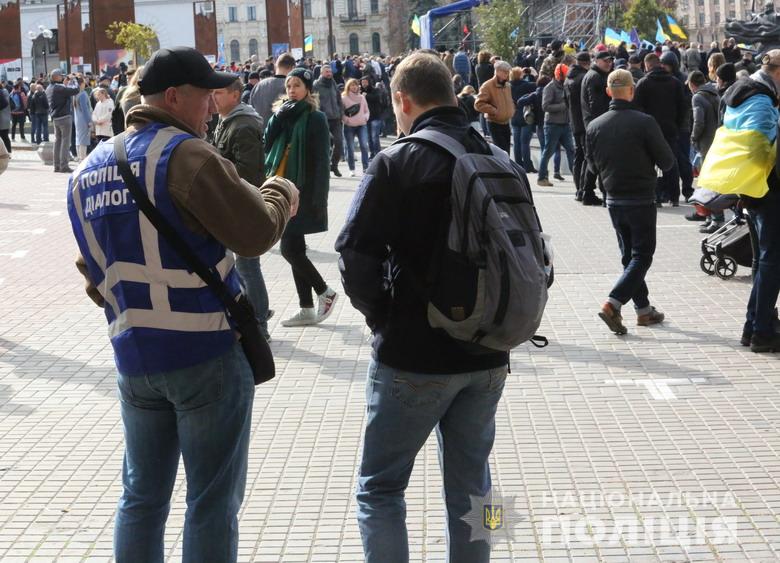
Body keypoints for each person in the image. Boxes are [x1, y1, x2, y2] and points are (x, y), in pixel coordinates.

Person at [65, 46, 298, 562]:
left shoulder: (88, 169)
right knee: (211, 502)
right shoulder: (186, 154)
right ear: (173, 97)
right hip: (205, 353)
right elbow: (255, 232)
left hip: (135, 360)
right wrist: (281, 194)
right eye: (205, 95)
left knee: (141, 499)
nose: (212, 106)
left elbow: (94, 272)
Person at [335, 50, 510, 563]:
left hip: (415, 353)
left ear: (402, 100)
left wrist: (382, 317)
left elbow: (354, 252)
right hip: (490, 354)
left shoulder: (398, 160)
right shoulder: (497, 155)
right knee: (476, 486)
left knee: (380, 488)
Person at [587, 69, 676, 335]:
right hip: (640, 197)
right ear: (632, 91)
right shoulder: (644, 122)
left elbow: (591, 165)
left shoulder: (595, 125)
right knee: (641, 256)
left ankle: (644, 310)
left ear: (607, 92)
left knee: (629, 257)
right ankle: (613, 303)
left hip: (613, 198)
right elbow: (667, 161)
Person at [264, 67, 338, 327]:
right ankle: (306, 308)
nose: (292, 90)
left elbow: (321, 161)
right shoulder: (283, 114)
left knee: (289, 249)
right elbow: (267, 141)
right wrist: (276, 118)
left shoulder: (315, 118)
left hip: (303, 192)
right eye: (288, 86)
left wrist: (319, 197)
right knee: (294, 249)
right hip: (282, 187)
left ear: (308, 89)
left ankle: (324, 292)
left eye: (296, 85)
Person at [213, 77, 274, 340]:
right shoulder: (226, 121)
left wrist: (214, 173)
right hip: (230, 206)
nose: (213, 97)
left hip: (245, 207)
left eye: (219, 93)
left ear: (235, 96)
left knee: (249, 267)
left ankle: (260, 324)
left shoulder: (243, 125)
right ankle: (255, 316)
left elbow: (248, 173)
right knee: (240, 268)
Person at [634, 53, 688, 206]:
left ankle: (655, 196)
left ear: (647, 66)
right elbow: (683, 107)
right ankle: (674, 196)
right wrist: (676, 125)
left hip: (649, 129)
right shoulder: (675, 82)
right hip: (670, 128)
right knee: (671, 162)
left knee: (650, 164)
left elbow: (637, 107)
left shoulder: (643, 83)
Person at [565, 51, 602, 204]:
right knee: (588, 157)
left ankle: (579, 189)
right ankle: (584, 190)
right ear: (587, 62)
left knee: (579, 156)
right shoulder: (584, 78)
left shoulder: (568, 78)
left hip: (574, 122)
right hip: (584, 122)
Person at [687, 70, 721, 232]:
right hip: (718, 141)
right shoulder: (715, 93)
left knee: (708, 182)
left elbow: (698, 121)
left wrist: (693, 137)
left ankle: (715, 218)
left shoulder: (697, 97)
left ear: (692, 84)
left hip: (706, 144)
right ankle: (709, 216)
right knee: (711, 181)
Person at [537, 63, 575, 187]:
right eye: (566, 74)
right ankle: (542, 178)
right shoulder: (550, 87)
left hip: (565, 124)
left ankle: (577, 176)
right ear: (559, 75)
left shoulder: (566, 86)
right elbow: (545, 106)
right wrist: (563, 106)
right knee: (548, 152)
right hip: (552, 125)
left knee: (571, 150)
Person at [474, 60, 514, 154]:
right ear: (498, 71)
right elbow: (478, 104)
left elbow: (509, 100)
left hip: (506, 122)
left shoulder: (507, 86)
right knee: (501, 152)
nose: (507, 74)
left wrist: (512, 109)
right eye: (505, 72)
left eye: (508, 72)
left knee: (507, 151)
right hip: (494, 123)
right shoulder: (487, 86)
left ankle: (505, 168)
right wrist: (494, 110)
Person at [46, 70, 80, 173]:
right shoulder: (59, 88)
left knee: (57, 142)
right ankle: (64, 166)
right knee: (65, 142)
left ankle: (56, 166)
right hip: (64, 117)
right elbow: (76, 90)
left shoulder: (49, 88)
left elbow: (62, 91)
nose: (62, 77)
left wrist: (65, 82)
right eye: (61, 76)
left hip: (55, 118)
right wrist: (74, 79)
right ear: (56, 77)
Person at [313, 63, 344, 177]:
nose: (329, 74)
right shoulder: (316, 85)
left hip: (336, 118)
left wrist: (341, 112)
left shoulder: (333, 83)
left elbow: (338, 99)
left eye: (330, 72)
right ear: (322, 73)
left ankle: (334, 165)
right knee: (325, 145)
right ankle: (324, 168)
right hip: (323, 119)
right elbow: (314, 102)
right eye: (327, 72)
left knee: (339, 143)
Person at [250, 52, 296, 126]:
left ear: (276, 66)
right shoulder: (294, 88)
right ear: (293, 68)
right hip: (284, 134)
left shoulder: (258, 86)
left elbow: (251, 111)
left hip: (260, 133)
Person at [341, 78, 371, 177]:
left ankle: (365, 168)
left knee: (364, 146)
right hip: (349, 126)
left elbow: (367, 110)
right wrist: (346, 120)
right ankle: (352, 169)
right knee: (350, 148)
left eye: (355, 85)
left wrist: (365, 118)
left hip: (362, 125)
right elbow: (341, 113)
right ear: (348, 86)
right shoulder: (344, 98)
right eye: (352, 85)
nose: (354, 87)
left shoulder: (362, 97)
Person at [510, 66, 536, 167]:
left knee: (516, 142)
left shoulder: (508, 86)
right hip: (526, 115)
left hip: (514, 115)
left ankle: (518, 164)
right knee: (525, 142)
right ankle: (527, 165)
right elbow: (537, 86)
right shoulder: (527, 85)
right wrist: (534, 75)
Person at [361, 75, 384, 159]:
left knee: (375, 137)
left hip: (375, 117)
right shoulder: (360, 91)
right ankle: (372, 153)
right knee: (369, 138)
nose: (364, 84)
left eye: (365, 82)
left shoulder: (375, 90)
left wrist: (366, 96)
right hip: (366, 118)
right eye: (362, 82)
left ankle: (377, 154)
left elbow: (377, 98)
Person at [73, 77, 92, 161]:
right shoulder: (83, 94)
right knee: (83, 140)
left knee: (78, 139)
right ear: (81, 84)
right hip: (83, 120)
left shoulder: (75, 94)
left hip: (77, 119)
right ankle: (83, 159)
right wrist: (89, 121)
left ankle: (79, 157)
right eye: (84, 83)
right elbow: (85, 109)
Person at [0, 84, 12, 153]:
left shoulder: (2, 92)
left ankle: (7, 153)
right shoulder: (4, 91)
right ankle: (8, 152)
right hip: (5, 118)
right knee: (5, 137)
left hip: (3, 119)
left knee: (4, 137)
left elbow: (4, 104)